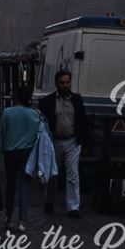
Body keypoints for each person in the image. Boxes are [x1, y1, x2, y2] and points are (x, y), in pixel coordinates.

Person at [0, 84, 42, 231]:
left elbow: (0, 136)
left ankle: (8, 219)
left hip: (10, 153)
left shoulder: (7, 113)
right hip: (27, 153)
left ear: (16, 96)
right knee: (24, 185)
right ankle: (22, 221)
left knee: (11, 186)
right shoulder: (35, 115)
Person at [39, 70, 88, 219]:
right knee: (52, 174)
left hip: (72, 140)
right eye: (62, 83)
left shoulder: (77, 100)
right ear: (57, 83)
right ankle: (49, 202)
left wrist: (83, 140)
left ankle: (73, 207)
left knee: (73, 174)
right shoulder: (48, 101)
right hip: (54, 141)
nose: (65, 85)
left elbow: (82, 120)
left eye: (67, 82)